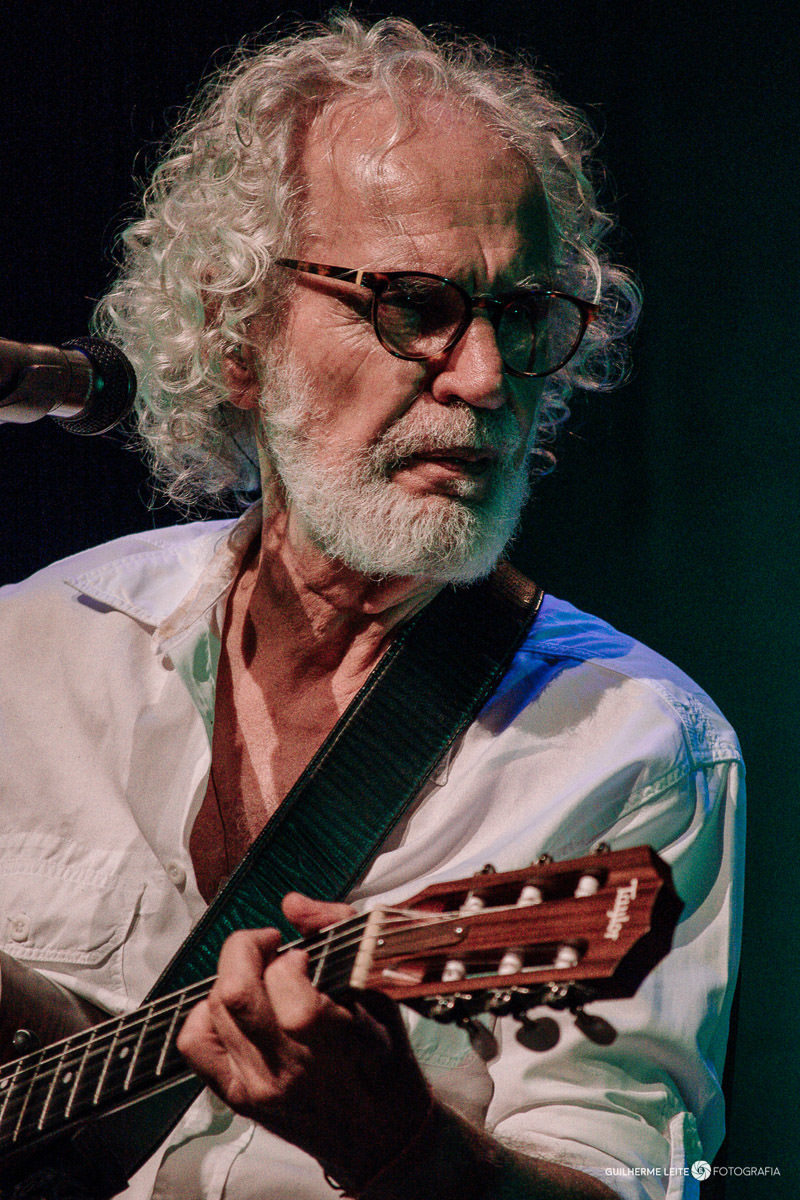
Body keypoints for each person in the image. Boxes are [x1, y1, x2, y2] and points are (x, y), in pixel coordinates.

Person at [0, 16, 743, 1200]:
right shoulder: (33, 646)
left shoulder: (635, 748)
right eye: (413, 304)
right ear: (236, 333)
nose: (486, 377)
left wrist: (406, 1146)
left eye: (519, 312)